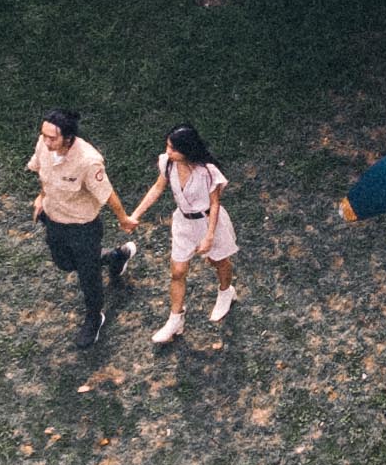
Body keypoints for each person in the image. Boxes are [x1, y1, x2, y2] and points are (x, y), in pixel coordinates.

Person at [27, 109, 133, 350]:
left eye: (51, 138)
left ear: (68, 137)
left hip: (82, 227)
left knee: (89, 277)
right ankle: (115, 257)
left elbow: (106, 193)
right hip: (53, 219)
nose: (45, 141)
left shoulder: (88, 160)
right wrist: (41, 197)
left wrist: (123, 218)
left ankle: (95, 317)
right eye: (43, 135)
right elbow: (43, 174)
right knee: (64, 263)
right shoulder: (45, 145)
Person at [147, 123, 240, 344]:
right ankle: (175, 319)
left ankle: (226, 292)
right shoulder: (168, 164)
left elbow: (215, 205)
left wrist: (209, 236)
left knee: (218, 261)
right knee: (178, 271)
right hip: (183, 223)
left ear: (186, 150)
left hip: (209, 222)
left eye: (172, 148)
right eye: (167, 146)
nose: (167, 152)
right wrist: (135, 214)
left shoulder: (207, 172)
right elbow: (157, 188)